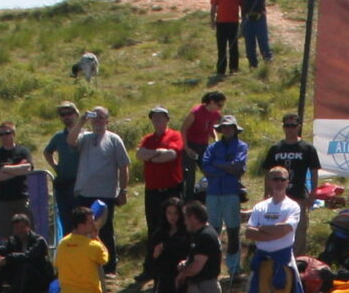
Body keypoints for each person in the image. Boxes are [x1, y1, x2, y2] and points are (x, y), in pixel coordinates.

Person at [241, 168, 306, 293]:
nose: (278, 182)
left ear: (287, 182)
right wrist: (273, 231)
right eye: (275, 179)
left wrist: (262, 230)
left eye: (282, 179)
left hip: (284, 260)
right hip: (263, 261)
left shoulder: (292, 206)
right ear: (269, 181)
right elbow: (249, 233)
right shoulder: (260, 207)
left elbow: (285, 230)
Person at [71, 108, 132, 268]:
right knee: (83, 229)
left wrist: (123, 190)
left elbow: (124, 166)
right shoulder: (84, 137)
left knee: (104, 230)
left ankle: (109, 266)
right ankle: (87, 264)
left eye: (101, 117)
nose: (97, 121)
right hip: (85, 192)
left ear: (107, 121)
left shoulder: (114, 139)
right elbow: (70, 141)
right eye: (94, 117)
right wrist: (81, 121)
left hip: (106, 194)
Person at [261, 114, 320, 259]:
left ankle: (298, 260)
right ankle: (276, 258)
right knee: (276, 228)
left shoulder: (307, 148)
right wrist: (266, 192)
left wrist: (313, 194)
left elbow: (314, 172)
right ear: (283, 127)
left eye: (293, 126)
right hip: (277, 197)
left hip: (298, 195)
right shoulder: (276, 148)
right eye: (287, 126)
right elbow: (268, 173)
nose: (290, 129)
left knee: (299, 231)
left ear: (299, 126)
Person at [136, 105, 186, 264]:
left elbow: (171, 155)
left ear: (167, 119)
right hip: (152, 190)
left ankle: (176, 261)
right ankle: (152, 265)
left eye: (161, 117)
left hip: (171, 189)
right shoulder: (147, 138)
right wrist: (159, 153)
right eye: (154, 117)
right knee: (153, 227)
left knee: (175, 224)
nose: (157, 120)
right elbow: (139, 154)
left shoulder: (175, 135)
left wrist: (150, 156)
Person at [198, 114, 249, 266]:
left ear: (235, 129)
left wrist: (217, 164)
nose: (227, 130)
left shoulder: (241, 146)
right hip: (212, 193)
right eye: (224, 127)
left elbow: (238, 166)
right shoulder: (212, 147)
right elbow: (205, 167)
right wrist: (227, 169)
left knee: (233, 231)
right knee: (213, 232)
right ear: (220, 130)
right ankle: (213, 266)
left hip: (231, 192)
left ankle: (234, 268)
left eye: (230, 127)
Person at [0, 209, 54, 293]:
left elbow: (28, 256)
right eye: (16, 228)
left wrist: (7, 259)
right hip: (17, 276)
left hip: (38, 278)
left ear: (28, 227)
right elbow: (0, 249)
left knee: (24, 266)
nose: (19, 230)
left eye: (22, 227)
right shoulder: (12, 241)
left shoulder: (39, 241)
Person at [0, 124, 36, 246]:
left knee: (27, 232)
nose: (4, 136)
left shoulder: (23, 151)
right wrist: (17, 171)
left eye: (7, 133)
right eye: (1, 134)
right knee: (5, 233)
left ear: (13, 134)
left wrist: (5, 169)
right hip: (2, 200)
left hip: (21, 197)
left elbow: (27, 168)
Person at [44, 102, 84, 238]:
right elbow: (47, 152)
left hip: (82, 184)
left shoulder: (86, 135)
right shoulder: (58, 136)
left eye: (69, 113)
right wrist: (55, 166)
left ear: (76, 114)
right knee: (66, 221)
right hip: (64, 184)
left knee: (82, 221)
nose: (66, 116)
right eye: (62, 114)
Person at [182, 90, 224, 181]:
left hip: (203, 146)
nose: (220, 108)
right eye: (219, 105)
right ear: (212, 102)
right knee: (189, 174)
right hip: (190, 145)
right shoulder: (196, 112)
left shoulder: (215, 114)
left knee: (208, 170)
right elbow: (184, 129)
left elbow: (211, 128)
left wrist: (216, 139)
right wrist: (186, 148)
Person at [209, 0, 241, 79]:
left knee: (233, 47)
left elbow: (242, 4)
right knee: (221, 47)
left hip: (233, 22)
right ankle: (221, 70)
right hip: (221, 23)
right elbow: (213, 6)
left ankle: (234, 69)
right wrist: (212, 20)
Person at [238, 0, 272, 68]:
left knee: (263, 41)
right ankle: (253, 65)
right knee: (249, 44)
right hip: (247, 18)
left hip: (259, 17)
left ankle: (267, 63)